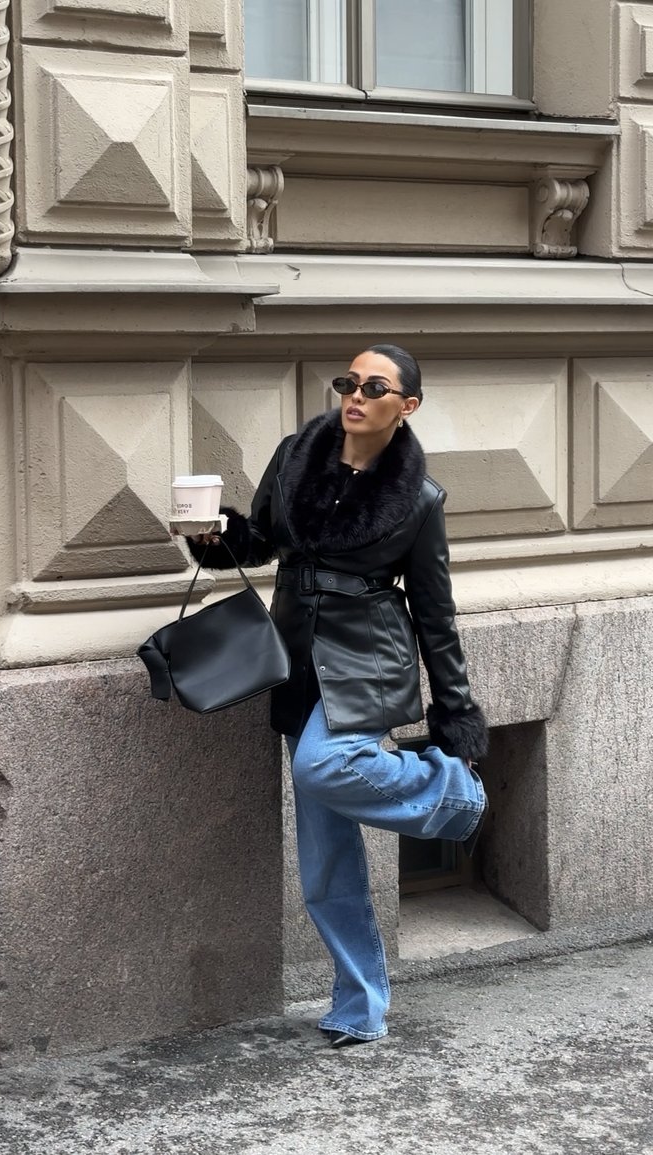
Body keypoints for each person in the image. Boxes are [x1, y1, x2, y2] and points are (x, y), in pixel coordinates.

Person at [186, 344, 488, 1048]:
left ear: (406, 405)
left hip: (370, 656)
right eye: (348, 382)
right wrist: (218, 534)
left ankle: (457, 793)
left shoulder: (419, 500)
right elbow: (261, 539)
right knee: (324, 856)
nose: (354, 395)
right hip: (297, 652)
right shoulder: (297, 454)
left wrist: (456, 726)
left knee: (322, 765)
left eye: (374, 386)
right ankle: (361, 1004)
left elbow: (437, 619)